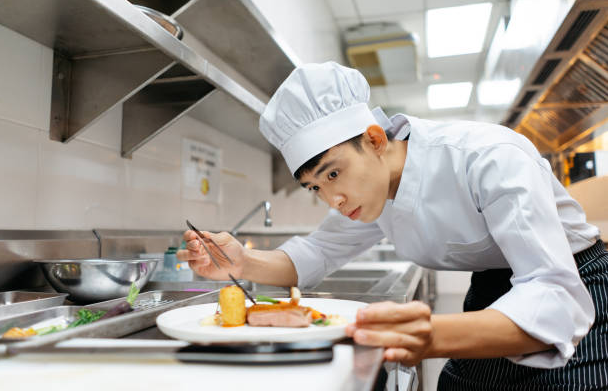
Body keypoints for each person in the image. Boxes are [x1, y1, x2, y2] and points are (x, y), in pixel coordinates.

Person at [177, 61, 608, 389]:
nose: (332, 198)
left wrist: (431, 335)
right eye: (315, 188)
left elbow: (552, 295)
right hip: (495, 292)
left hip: (577, 287)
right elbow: (316, 253)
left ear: (375, 139)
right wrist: (242, 261)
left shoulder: (487, 157)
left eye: (333, 173)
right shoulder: (372, 193)